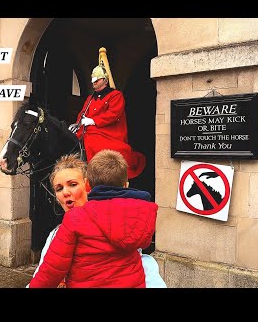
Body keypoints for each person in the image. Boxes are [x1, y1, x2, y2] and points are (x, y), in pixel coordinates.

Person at [28, 153, 166, 288]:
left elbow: (50, 273)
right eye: (59, 188)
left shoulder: (75, 220)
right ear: (125, 185)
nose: (65, 192)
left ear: (87, 185)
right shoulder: (135, 217)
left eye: (73, 184)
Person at [69, 63, 145, 179]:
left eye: (97, 80)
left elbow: (113, 114)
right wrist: (77, 125)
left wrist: (93, 121)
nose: (94, 82)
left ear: (105, 80)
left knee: (93, 141)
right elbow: (82, 114)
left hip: (107, 132)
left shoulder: (115, 95)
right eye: (93, 80)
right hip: (88, 131)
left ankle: (93, 172)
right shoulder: (90, 99)